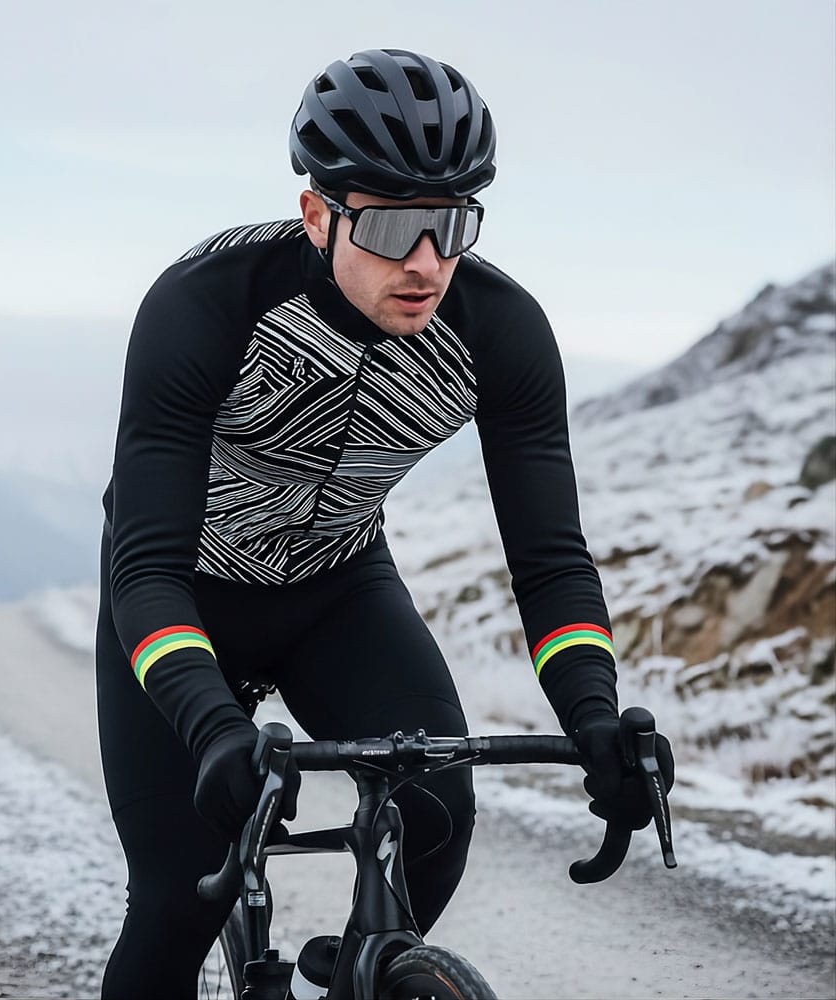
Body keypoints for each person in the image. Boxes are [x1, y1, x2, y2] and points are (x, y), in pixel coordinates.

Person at [95, 48, 674, 996]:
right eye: (396, 223)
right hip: (183, 594)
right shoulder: (207, 305)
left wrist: (596, 717)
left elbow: (550, 563)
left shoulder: (499, 331)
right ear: (316, 213)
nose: (427, 262)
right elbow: (145, 563)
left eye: (453, 224)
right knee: (176, 898)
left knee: (437, 820)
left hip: (338, 590)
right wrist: (208, 724)